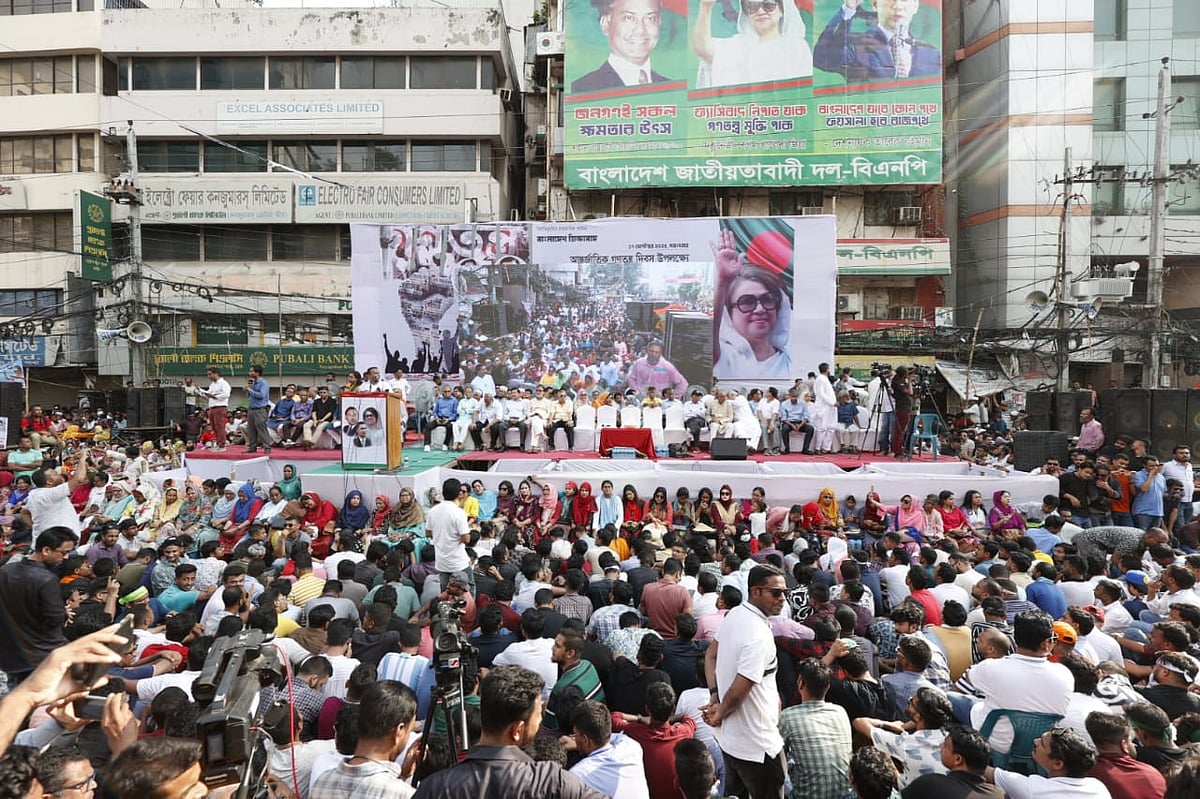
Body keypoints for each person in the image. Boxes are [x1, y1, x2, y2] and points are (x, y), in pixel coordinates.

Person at [411, 665, 606, 799]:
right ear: (517, 730)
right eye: (539, 715)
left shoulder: (436, 788)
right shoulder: (551, 782)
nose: (540, 722)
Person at [702, 564, 787, 799]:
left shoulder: (735, 614)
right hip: (757, 745)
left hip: (732, 740)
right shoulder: (758, 634)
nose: (782, 599)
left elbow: (710, 655)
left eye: (784, 593)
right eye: (776, 593)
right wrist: (720, 709)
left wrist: (714, 697)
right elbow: (741, 687)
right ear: (756, 591)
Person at [309, 680, 420, 799]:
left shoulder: (322, 782)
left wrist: (402, 776)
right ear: (399, 731)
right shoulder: (405, 794)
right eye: (410, 731)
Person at [712, 228, 792, 380]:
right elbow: (707, 339)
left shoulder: (789, 361)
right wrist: (723, 282)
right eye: (747, 302)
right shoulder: (724, 356)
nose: (760, 309)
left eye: (767, 299)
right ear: (729, 313)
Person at [0, 526, 77, 681]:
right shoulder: (46, 579)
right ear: (46, 550)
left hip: (10, 654)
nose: (66, 558)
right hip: (40, 654)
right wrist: (63, 614)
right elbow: (54, 619)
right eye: (63, 552)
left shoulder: (6, 570)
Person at [778, 657, 853, 799]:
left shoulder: (787, 716)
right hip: (846, 794)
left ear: (800, 683)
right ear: (828, 687)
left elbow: (775, 755)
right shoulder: (840, 712)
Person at [692, 0, 812, 88]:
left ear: (781, 10)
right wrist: (705, 7)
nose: (760, 11)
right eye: (752, 7)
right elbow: (703, 49)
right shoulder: (736, 46)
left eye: (768, 5)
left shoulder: (796, 47)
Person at [813, 0, 941, 82]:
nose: (898, 6)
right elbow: (823, 59)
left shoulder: (930, 54)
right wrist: (849, 10)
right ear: (875, 4)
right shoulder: (856, 44)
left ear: (915, 6)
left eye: (905, 0)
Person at [570, 0, 673, 93]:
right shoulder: (583, 89)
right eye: (629, 18)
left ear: (659, 23)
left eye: (650, 18)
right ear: (605, 24)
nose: (640, 30)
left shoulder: (672, 90)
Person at [987, 727, 1109, 799]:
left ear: (1057, 763)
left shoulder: (1033, 789)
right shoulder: (1098, 786)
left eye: (1042, 744)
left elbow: (983, 770)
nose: (1035, 741)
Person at [566, 700, 651, 799]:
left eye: (575, 734)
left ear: (585, 740)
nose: (574, 738)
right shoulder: (632, 747)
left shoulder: (577, 776)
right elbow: (615, 737)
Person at [901, 724, 1005, 799]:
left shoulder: (930, 784)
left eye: (945, 745)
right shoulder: (999, 794)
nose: (941, 746)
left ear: (957, 759)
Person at [429, 477, 472, 593]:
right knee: (467, 592)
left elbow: (428, 532)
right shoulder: (459, 513)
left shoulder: (432, 511)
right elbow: (466, 538)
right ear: (459, 494)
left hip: (442, 561)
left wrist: (441, 535)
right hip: (458, 562)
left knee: (446, 593)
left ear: (443, 493)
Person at [201, 367, 232, 451]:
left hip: (220, 406)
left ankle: (222, 445)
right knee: (214, 427)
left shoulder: (223, 383)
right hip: (212, 407)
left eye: (210, 374)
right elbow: (209, 394)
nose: (208, 376)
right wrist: (200, 392)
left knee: (220, 426)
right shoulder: (212, 385)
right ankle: (218, 444)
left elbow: (226, 394)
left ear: (216, 374)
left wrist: (214, 396)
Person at [245, 365, 272, 454]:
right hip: (251, 408)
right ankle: (252, 447)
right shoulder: (252, 383)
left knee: (261, 428)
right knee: (251, 429)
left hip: (260, 409)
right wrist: (247, 390)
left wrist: (250, 390)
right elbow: (249, 396)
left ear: (257, 373)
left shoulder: (263, 383)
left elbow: (261, 395)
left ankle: (267, 447)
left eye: (251, 371)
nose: (249, 373)